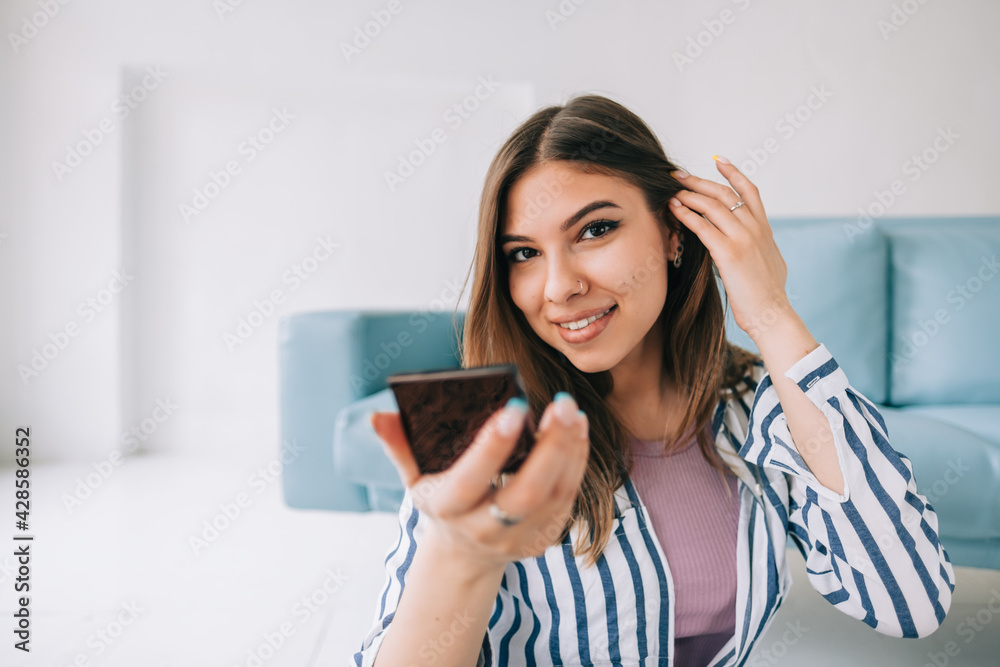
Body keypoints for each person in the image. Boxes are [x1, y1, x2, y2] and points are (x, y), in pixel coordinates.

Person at [352, 94, 954, 666]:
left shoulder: (754, 411)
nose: (559, 287)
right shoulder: (480, 428)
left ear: (673, 232)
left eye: (594, 230)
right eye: (523, 254)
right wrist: (464, 555)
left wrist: (770, 309)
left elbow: (912, 601)